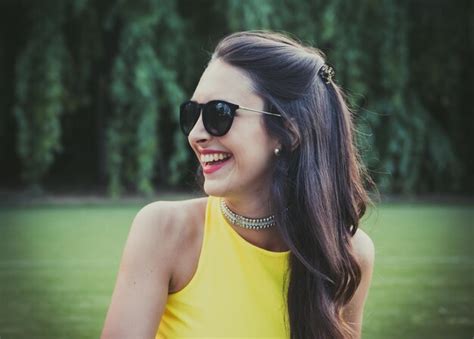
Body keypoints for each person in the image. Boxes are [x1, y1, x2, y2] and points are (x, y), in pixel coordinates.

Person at [101, 30, 375, 339]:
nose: (195, 134)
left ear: (288, 130)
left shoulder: (348, 254)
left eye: (219, 113)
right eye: (191, 114)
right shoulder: (165, 231)